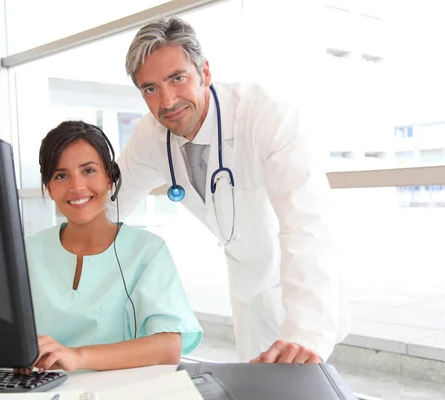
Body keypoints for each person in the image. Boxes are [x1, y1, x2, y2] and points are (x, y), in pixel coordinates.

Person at [109, 17, 350, 364]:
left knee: (308, 382)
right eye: (150, 88)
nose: (167, 101)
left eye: (177, 78)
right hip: (249, 295)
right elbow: (109, 206)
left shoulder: (265, 114)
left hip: (305, 290)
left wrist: (304, 336)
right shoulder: (151, 136)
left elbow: (307, 225)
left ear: (204, 72)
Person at [20, 120, 202, 373]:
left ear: (110, 177)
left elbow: (168, 348)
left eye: (89, 171)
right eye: (61, 175)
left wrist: (77, 357)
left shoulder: (147, 251)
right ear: (49, 188)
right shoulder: (24, 252)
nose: (76, 186)